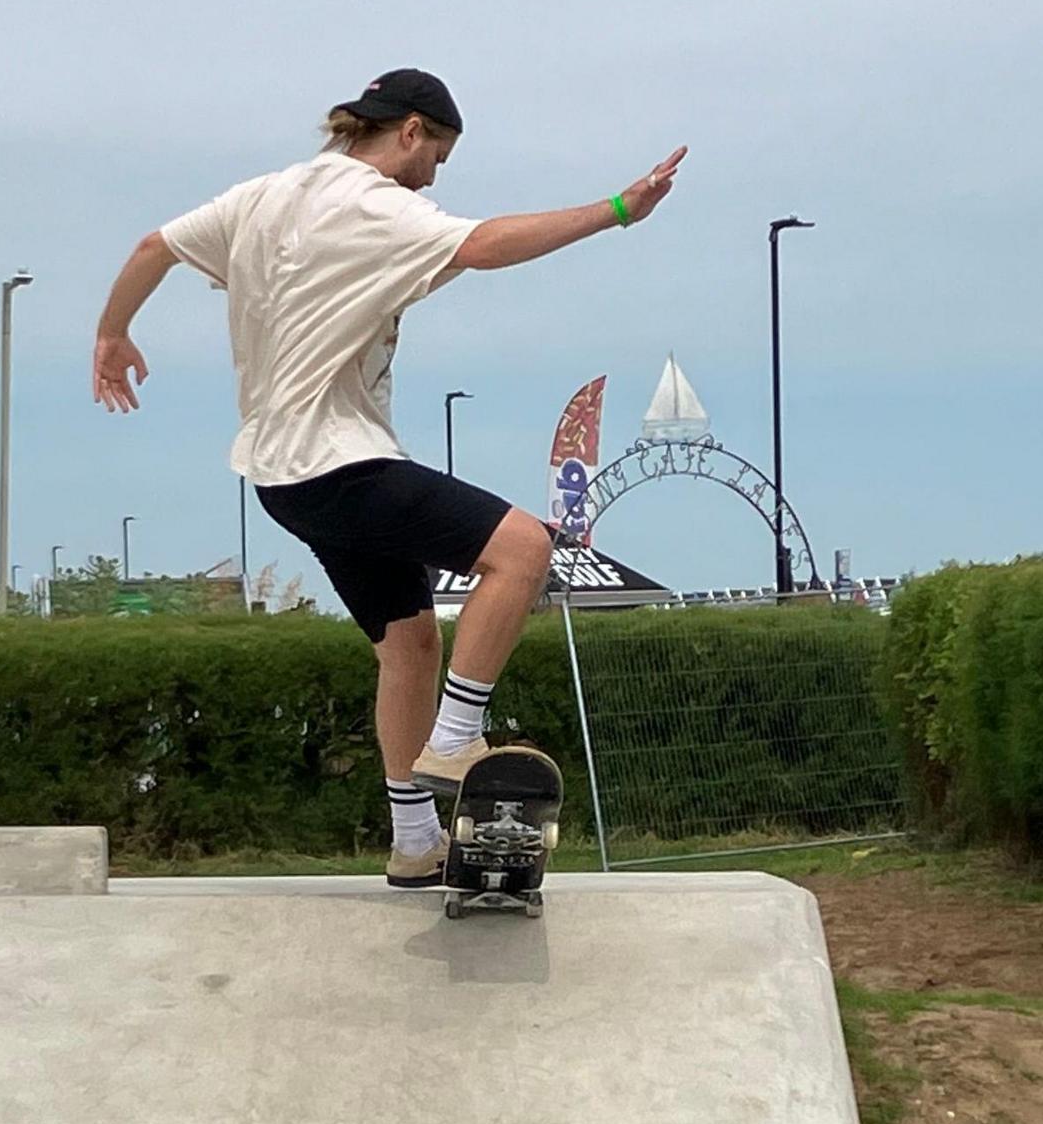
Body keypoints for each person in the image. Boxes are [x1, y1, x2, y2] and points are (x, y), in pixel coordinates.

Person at [91, 68, 684, 887]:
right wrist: (616, 211)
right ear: (409, 130)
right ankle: (453, 739)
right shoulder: (377, 204)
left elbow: (152, 247)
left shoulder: (261, 197)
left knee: (408, 643)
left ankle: (413, 843)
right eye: (436, 153)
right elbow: (483, 246)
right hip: (343, 463)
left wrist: (111, 334)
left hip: (280, 480)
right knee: (523, 551)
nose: (435, 175)